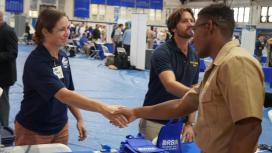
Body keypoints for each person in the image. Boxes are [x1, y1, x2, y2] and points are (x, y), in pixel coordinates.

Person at [115, 4, 264, 153]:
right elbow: (181, 105)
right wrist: (135, 112)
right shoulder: (218, 66)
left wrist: (189, 123)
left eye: (195, 29)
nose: (193, 37)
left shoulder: (237, 62)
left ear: (209, 27)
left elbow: (249, 128)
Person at [15, 8, 127, 146]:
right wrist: (103, 108)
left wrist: (79, 119)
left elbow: (68, 90)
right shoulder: (37, 62)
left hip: (60, 128)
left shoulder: (62, 56)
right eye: (62, 29)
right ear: (45, 31)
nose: (67, 33)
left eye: (68, 28)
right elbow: (64, 95)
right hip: (34, 131)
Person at [138, 7, 199, 141]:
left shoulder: (195, 55)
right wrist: (202, 96)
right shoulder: (162, 52)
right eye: (184, 21)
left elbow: (194, 88)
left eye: (191, 20)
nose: (190, 24)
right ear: (173, 28)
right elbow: (170, 85)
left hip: (180, 124)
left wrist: (189, 123)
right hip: (156, 122)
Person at [0, 10, 18, 127]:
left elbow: (13, 53)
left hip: (4, 75)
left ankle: (5, 128)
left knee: (3, 101)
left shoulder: (9, 31)